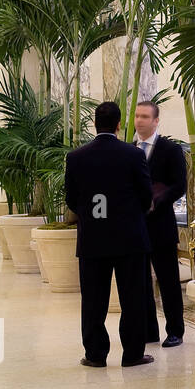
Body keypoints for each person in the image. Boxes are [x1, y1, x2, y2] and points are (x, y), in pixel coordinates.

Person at [65, 101, 154, 367]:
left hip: (93, 239)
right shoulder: (133, 154)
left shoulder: (76, 157)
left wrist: (93, 217)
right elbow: (146, 195)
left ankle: (95, 355)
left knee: (93, 300)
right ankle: (133, 354)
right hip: (129, 239)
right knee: (133, 298)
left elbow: (71, 200)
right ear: (119, 125)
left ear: (95, 124)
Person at [133, 100, 188, 348]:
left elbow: (179, 185)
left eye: (145, 116)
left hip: (161, 225)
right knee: (140, 281)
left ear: (156, 121)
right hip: (136, 227)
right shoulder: (129, 150)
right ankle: (147, 330)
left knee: (168, 281)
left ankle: (175, 330)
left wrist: (158, 200)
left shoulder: (170, 149)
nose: (139, 120)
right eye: (136, 116)